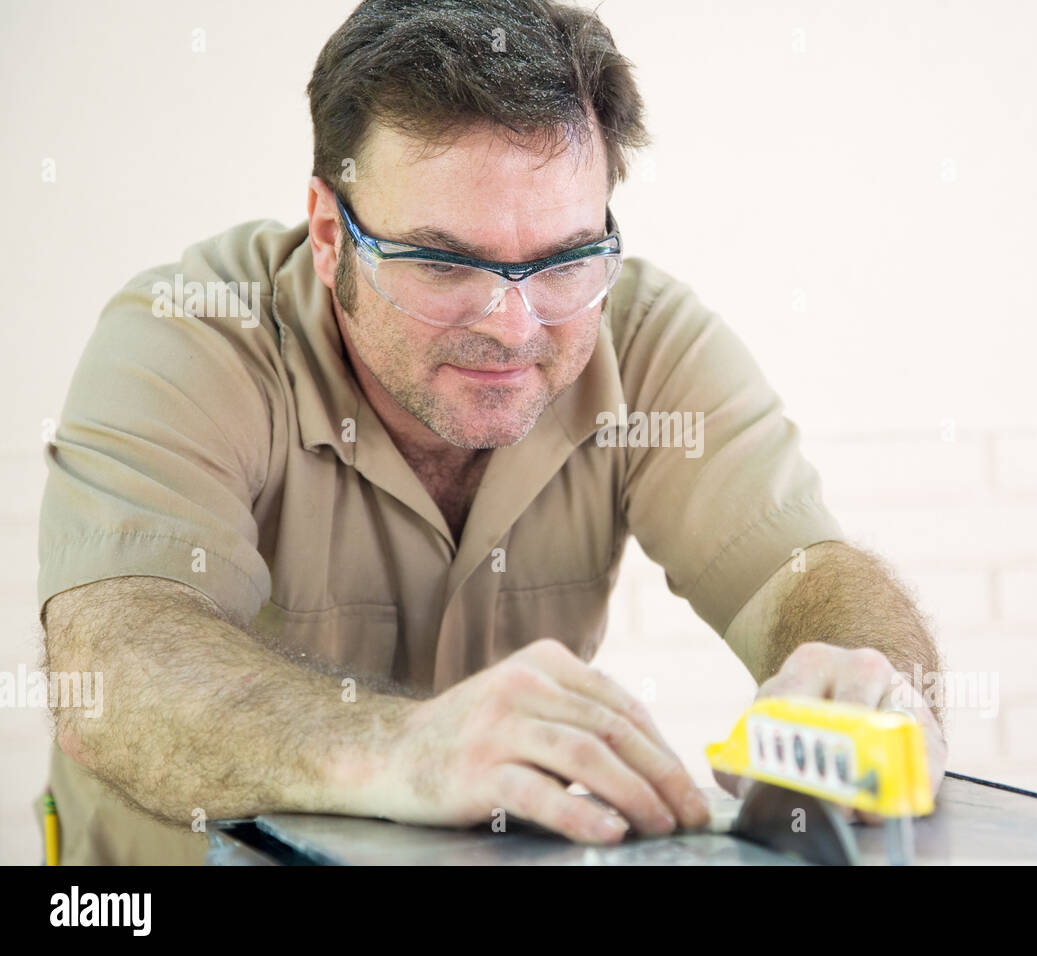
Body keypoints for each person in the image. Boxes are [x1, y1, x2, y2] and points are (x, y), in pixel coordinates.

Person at [38, 0, 947, 865]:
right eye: (442, 262)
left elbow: (808, 576)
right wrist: (404, 746)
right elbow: (116, 673)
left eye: (560, 260)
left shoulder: (645, 337)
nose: (514, 328)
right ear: (328, 232)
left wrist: (868, 681)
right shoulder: (192, 335)